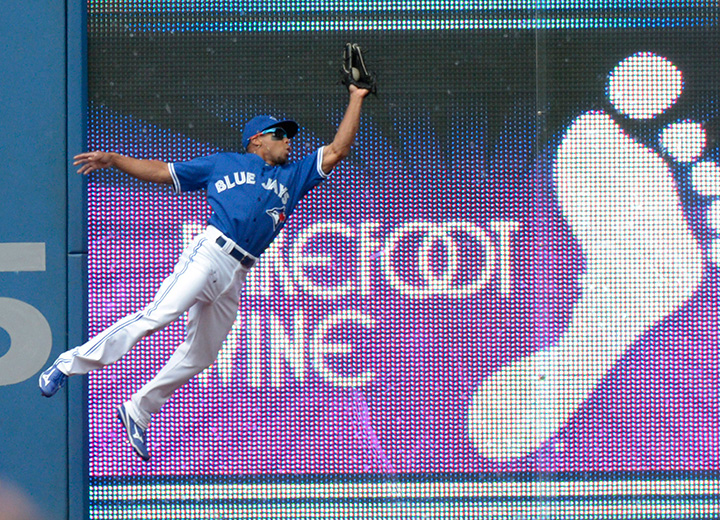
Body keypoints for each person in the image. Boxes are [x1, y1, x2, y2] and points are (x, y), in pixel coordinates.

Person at [38, 83, 370, 461]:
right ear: (257, 140)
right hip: (210, 253)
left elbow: (339, 148)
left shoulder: (294, 177)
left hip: (239, 272)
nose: (289, 140)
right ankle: (68, 364)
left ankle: (138, 409)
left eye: (291, 135)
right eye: (282, 134)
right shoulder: (224, 163)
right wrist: (115, 159)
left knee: (202, 354)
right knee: (156, 316)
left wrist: (356, 97)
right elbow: (163, 172)